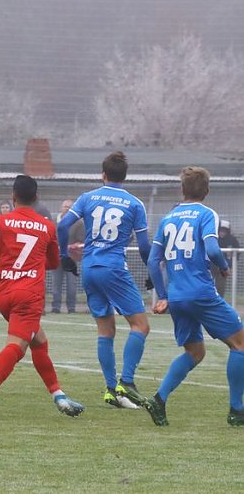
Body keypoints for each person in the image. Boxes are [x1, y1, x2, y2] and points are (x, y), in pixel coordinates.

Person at [0, 175, 85, 420]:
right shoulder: (47, 226)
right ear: (36, 198)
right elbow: (51, 262)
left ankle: (58, 395)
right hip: (29, 295)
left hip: (4, 294)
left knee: (39, 342)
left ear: (13, 197)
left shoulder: (0, 220)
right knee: (17, 346)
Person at [143, 166, 244, 427]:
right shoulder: (206, 213)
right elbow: (212, 247)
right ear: (207, 190)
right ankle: (237, 410)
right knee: (240, 344)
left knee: (195, 352)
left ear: (182, 189)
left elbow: (154, 261)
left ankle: (159, 399)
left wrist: (163, 295)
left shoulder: (168, 218)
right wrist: (222, 265)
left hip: (176, 297)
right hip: (200, 293)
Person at [57, 151, 151, 409]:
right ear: (125, 176)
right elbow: (144, 246)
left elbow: (63, 226)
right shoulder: (134, 203)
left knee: (105, 330)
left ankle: (112, 390)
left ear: (103, 174)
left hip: (90, 267)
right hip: (113, 268)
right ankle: (127, 383)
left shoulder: (88, 197)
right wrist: (152, 271)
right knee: (141, 326)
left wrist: (63, 255)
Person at [51, 199, 84, 314]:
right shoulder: (54, 222)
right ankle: (55, 307)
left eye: (69, 207)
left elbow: (81, 241)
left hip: (71, 259)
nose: (67, 208)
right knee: (56, 285)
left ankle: (71, 308)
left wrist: (74, 247)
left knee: (71, 285)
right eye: (65, 206)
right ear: (61, 208)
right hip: (57, 258)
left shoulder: (79, 223)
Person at [213, 220, 240, 297]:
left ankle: (220, 301)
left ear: (228, 231)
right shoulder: (214, 238)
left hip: (224, 267)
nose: (222, 233)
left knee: (221, 286)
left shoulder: (232, 239)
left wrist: (231, 264)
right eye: (221, 230)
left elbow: (237, 251)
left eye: (224, 231)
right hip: (211, 265)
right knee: (209, 284)